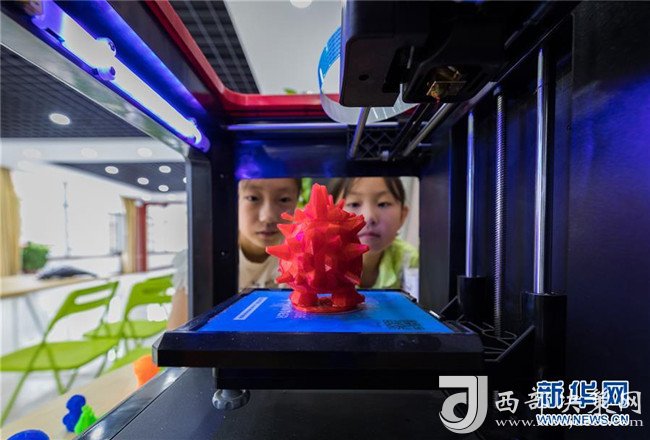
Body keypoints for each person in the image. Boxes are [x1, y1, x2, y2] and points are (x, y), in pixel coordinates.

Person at [167, 178, 301, 329]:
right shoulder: (204, 257)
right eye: (253, 198)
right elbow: (177, 332)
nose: (268, 217)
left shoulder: (303, 253)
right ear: (233, 201)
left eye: (284, 199)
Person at [328, 177, 418, 290]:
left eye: (383, 204)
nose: (369, 217)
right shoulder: (319, 264)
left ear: (402, 215)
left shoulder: (409, 260)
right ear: (329, 215)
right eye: (354, 204)